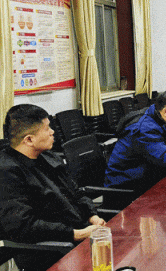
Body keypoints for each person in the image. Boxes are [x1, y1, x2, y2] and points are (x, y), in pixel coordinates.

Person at [0, 104, 104, 244]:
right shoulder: (7, 173)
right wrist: (77, 234)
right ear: (29, 140)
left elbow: (76, 193)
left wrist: (92, 216)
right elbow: (23, 226)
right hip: (58, 246)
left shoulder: (48, 156)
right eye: (47, 128)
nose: (52, 132)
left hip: (82, 230)